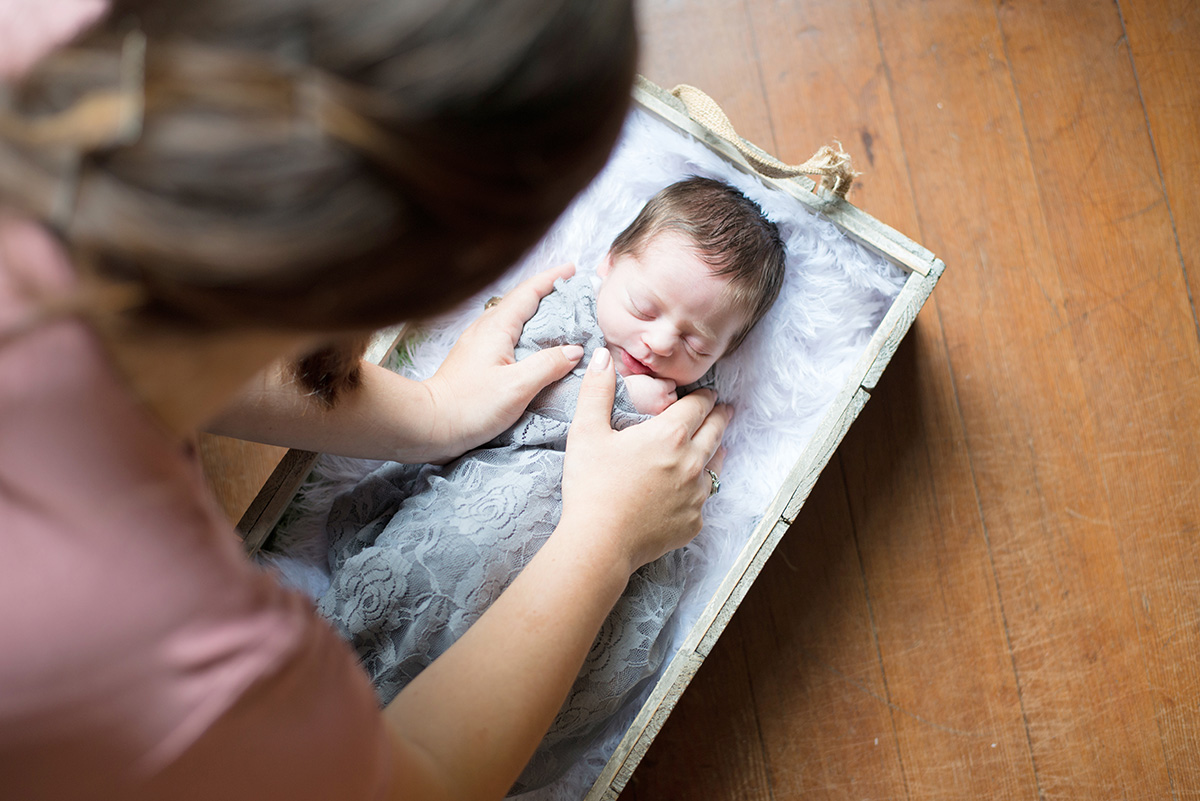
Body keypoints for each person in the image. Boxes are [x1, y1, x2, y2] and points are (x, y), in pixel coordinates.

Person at [0, 3, 731, 801]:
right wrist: (603, 541)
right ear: (446, 285)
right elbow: (416, 782)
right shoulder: (161, 643)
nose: (662, 340)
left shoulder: (45, 38)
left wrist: (434, 411)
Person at [311, 176, 785, 790]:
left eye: (698, 342)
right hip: (490, 499)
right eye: (644, 308)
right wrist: (625, 402)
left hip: (577, 564)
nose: (661, 341)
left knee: (591, 646)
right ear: (609, 265)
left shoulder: (691, 402)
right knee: (445, 556)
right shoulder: (567, 316)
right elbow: (517, 389)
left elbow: (675, 481)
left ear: (726, 350)